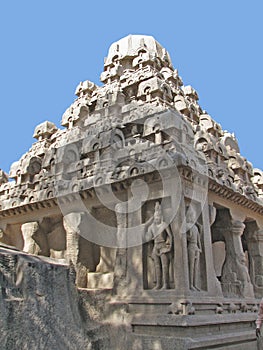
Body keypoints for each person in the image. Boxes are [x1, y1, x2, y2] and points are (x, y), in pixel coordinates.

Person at [147, 202, 173, 289]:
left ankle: (166, 284)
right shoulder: (152, 227)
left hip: (163, 246)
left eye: (158, 217)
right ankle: (158, 284)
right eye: (155, 217)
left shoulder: (164, 225)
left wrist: (168, 246)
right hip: (155, 246)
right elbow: (148, 237)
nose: (156, 219)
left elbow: (170, 236)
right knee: (157, 266)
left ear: (161, 217)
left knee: (164, 266)